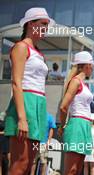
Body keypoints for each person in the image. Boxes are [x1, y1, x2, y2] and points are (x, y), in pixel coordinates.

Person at [4, 7, 55, 175]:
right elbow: (17, 83)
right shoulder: (20, 47)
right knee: (19, 164)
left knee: (28, 165)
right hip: (24, 105)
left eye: (47, 25)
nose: (45, 28)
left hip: (39, 106)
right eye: (42, 24)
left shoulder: (39, 53)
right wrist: (22, 118)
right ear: (30, 24)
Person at [58, 51, 94, 175]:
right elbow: (63, 107)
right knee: (72, 170)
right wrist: (63, 125)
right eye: (92, 65)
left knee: (77, 170)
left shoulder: (83, 84)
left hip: (84, 125)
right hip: (77, 125)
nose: (93, 68)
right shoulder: (76, 82)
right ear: (86, 66)